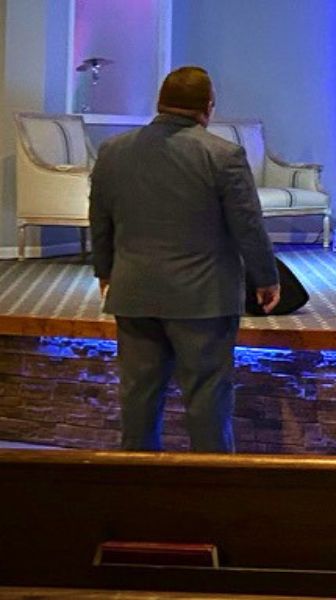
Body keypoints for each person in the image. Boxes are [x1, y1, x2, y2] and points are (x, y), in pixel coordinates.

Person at [89, 66, 280, 453]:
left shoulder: (113, 151)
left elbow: (100, 218)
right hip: (203, 300)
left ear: (159, 103)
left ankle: (140, 492)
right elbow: (248, 225)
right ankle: (210, 495)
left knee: (138, 399)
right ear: (207, 108)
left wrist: (105, 271)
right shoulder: (223, 155)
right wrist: (266, 278)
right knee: (207, 400)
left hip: (133, 292)